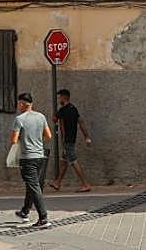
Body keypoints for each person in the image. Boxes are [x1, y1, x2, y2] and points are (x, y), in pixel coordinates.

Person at [10, 91, 53, 228]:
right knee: (33, 184)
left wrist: (25, 141)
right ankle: (25, 211)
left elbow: (13, 140)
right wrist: (36, 141)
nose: (18, 106)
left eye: (19, 103)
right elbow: (49, 136)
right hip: (40, 156)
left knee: (34, 186)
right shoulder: (41, 116)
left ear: (22, 104)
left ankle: (43, 218)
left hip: (27, 157)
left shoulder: (19, 119)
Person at [49, 89, 92, 192]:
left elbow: (54, 119)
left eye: (60, 97)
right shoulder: (74, 109)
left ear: (64, 97)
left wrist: (57, 114)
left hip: (66, 140)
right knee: (64, 161)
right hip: (72, 138)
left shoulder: (63, 110)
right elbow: (81, 122)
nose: (59, 100)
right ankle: (57, 182)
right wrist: (86, 137)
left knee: (73, 161)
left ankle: (85, 184)